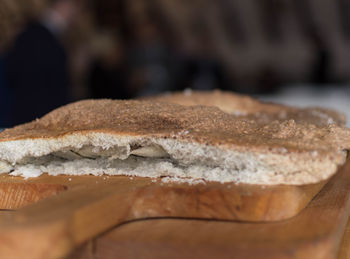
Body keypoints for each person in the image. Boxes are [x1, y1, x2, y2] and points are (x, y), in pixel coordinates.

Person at [6, 0, 79, 126]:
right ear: (65, 4)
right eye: (76, 5)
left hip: (32, 119)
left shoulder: (33, 35)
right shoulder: (42, 38)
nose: (76, 12)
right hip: (38, 122)